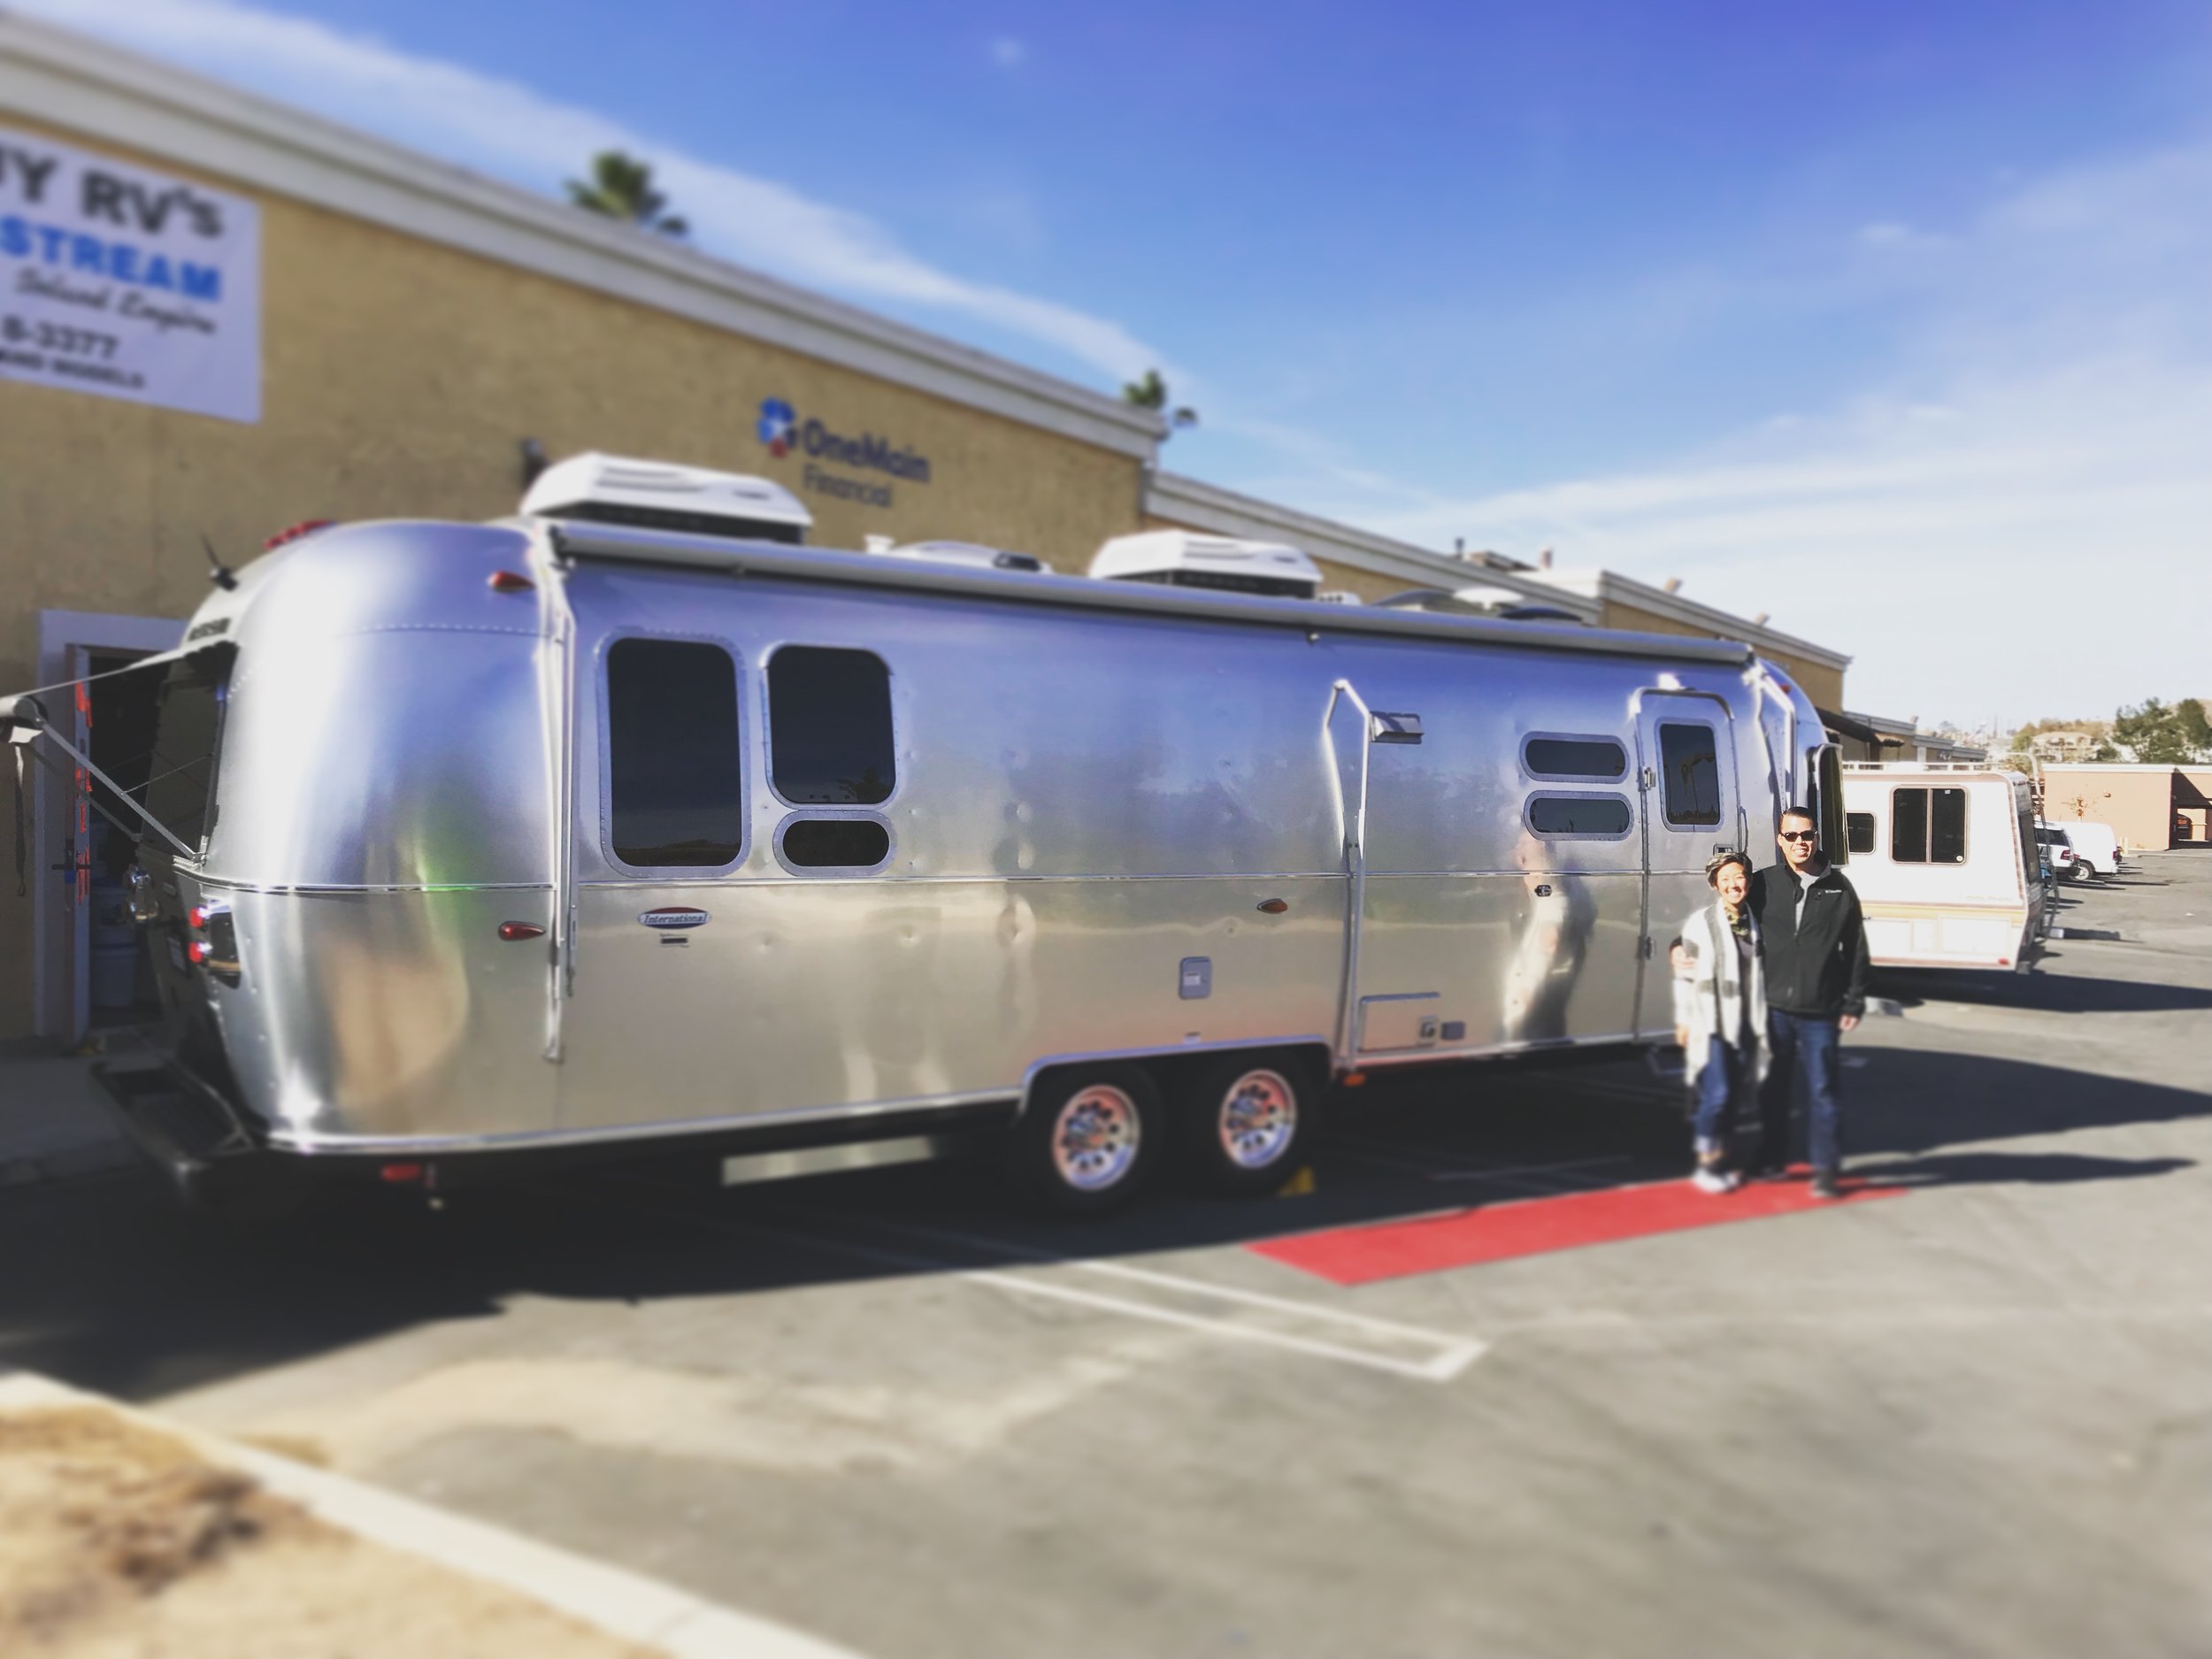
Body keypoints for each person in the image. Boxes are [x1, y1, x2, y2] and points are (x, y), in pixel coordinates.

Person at [1752, 806, 1870, 1199]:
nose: (1800, 843)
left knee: (1823, 1093)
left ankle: (1825, 1170)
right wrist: (1682, 946)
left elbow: (1855, 948)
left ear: (1817, 837)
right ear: (1779, 840)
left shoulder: (1838, 887)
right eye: (1791, 836)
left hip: (1821, 1009)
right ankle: (1771, 1159)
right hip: (1773, 1008)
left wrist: (1853, 1002)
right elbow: (1729, 921)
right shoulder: (1763, 883)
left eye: (1807, 835)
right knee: (1772, 1090)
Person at [1672, 849, 1766, 1194]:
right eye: (1725, 879)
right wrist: (1684, 1020)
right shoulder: (1701, 922)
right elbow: (1685, 974)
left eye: (1739, 877)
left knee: (1735, 1095)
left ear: (1749, 881)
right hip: (1710, 1020)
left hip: (1747, 1020)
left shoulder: (1755, 920)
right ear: (1715, 885)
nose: (1733, 885)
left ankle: (1720, 1159)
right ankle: (1706, 1161)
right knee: (1719, 1094)